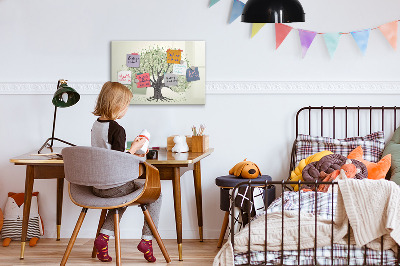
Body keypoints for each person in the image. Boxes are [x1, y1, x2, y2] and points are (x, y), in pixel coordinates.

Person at [91, 81, 161, 263]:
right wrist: (135, 149)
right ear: (118, 105)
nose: (127, 109)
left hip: (97, 186)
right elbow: (118, 161)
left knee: (121, 198)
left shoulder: (96, 125)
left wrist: (130, 149)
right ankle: (147, 240)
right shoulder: (117, 129)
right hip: (114, 186)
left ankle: (103, 238)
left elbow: (108, 154)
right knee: (156, 194)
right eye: (127, 105)